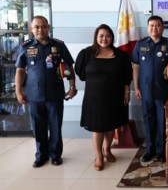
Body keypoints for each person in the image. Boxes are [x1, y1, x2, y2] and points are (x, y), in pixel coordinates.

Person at [15, 15, 77, 168]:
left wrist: (72, 87)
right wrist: (18, 91)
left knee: (55, 126)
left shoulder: (59, 45)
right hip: (34, 95)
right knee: (38, 126)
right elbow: (20, 70)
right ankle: (41, 156)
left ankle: (55, 155)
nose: (40, 29)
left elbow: (69, 67)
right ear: (31, 29)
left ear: (48, 27)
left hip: (55, 93)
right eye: (36, 27)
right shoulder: (25, 46)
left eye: (43, 26)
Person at [74, 24, 132, 171]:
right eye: (101, 36)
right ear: (96, 37)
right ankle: (99, 156)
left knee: (111, 125)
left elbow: (127, 76)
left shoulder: (121, 55)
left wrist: (127, 92)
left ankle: (108, 150)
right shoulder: (86, 54)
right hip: (94, 98)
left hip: (115, 96)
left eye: (107, 36)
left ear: (112, 37)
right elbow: (80, 74)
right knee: (98, 127)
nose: (104, 39)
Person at [131, 15, 168, 162]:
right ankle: (150, 149)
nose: (154, 28)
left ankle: (162, 151)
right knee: (149, 120)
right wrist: (136, 87)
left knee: (162, 121)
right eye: (152, 25)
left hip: (164, 91)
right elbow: (135, 67)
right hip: (145, 91)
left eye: (158, 25)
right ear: (148, 28)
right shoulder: (140, 44)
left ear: (163, 27)